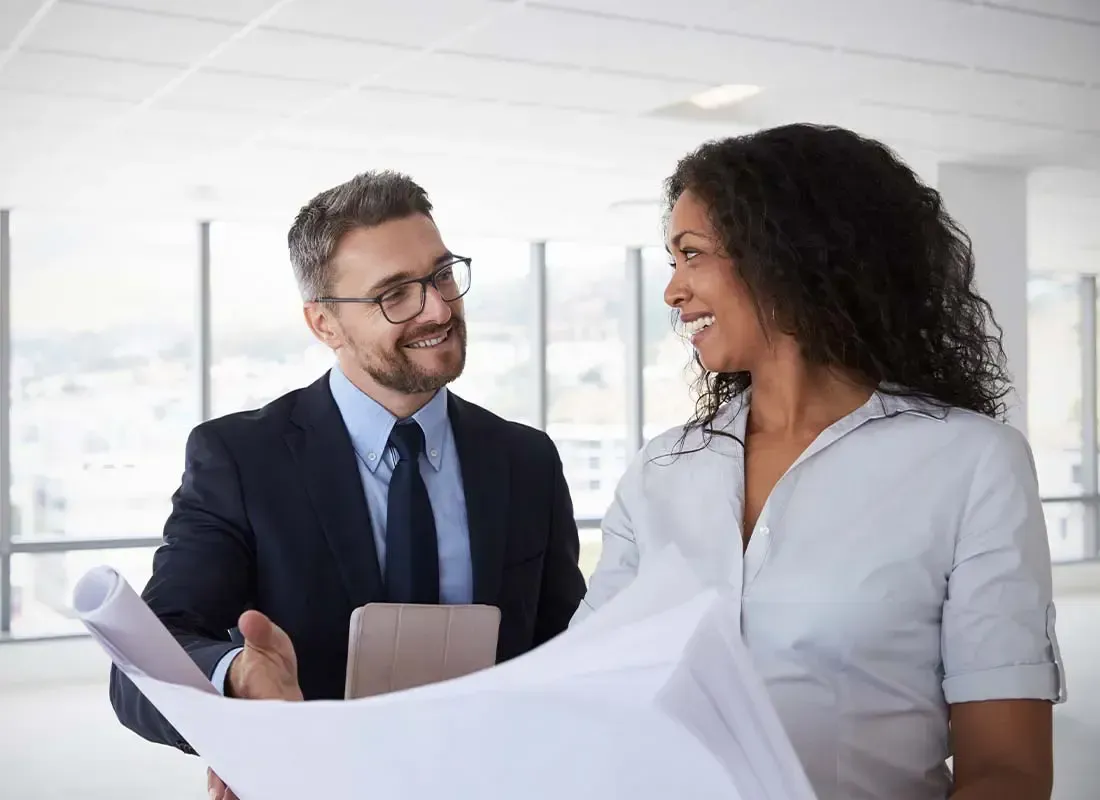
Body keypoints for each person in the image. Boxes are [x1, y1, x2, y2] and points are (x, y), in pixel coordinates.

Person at [575, 124, 1065, 800]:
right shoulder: (660, 472)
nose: (673, 292)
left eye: (692, 256)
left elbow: (1006, 771)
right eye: (671, 261)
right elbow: (583, 693)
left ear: (786, 256)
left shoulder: (971, 463)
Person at [109, 171, 586, 798]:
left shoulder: (525, 459)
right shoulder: (242, 459)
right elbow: (148, 660)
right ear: (324, 324)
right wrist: (238, 688)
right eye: (395, 294)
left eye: (441, 275)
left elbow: (567, 654)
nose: (438, 308)